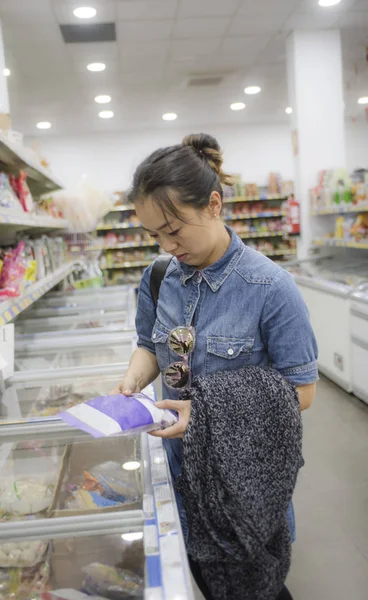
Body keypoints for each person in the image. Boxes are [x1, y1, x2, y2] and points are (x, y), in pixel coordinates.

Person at [113, 133, 318, 600]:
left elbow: (302, 391)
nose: (167, 245)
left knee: (253, 584)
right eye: (155, 235)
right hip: (177, 471)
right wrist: (132, 380)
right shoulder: (159, 276)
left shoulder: (270, 288)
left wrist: (205, 414)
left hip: (240, 481)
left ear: (212, 205)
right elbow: (149, 344)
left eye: (174, 229)